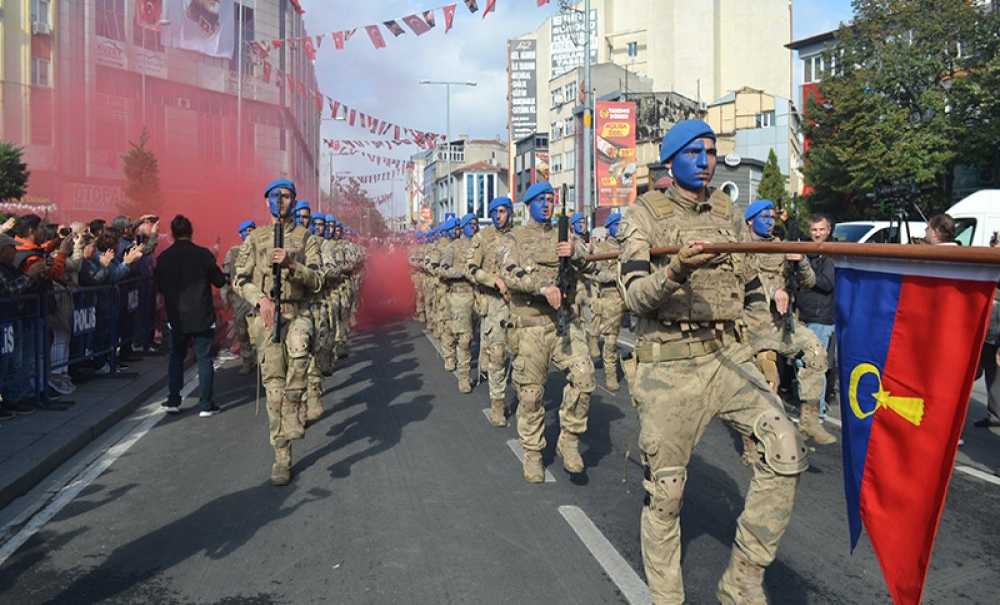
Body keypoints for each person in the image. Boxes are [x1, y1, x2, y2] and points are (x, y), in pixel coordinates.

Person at [617, 119, 807, 604]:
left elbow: (745, 282)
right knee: (667, 492)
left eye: (711, 151)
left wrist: (773, 307)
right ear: (672, 158)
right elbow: (636, 296)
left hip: (728, 353)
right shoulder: (642, 215)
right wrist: (678, 269)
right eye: (695, 152)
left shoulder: (728, 211)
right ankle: (666, 597)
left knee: (785, 449)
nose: (706, 160)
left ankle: (742, 578)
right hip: (669, 364)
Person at [497, 182, 596, 482]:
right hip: (530, 327)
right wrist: (541, 287)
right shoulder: (516, 238)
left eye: (551, 200)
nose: (547, 204)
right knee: (530, 395)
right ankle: (533, 452)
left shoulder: (565, 236)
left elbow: (591, 267)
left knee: (584, 376)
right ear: (528, 204)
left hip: (563, 323)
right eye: (541, 200)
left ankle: (570, 438)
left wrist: (576, 251)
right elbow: (509, 273)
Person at [235, 179, 322, 486]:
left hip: (297, 311)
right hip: (267, 319)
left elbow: (317, 279)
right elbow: (239, 279)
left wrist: (292, 264)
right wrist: (259, 299)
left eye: (286, 196)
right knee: (274, 393)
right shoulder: (255, 238)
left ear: (294, 200)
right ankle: (281, 458)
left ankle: (296, 402)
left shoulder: (305, 237)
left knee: (300, 350)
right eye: (275, 196)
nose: (281, 201)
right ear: (266, 201)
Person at [743, 200, 836, 448]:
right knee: (768, 384)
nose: (770, 221)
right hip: (753, 328)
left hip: (781, 325)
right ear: (750, 220)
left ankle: (809, 418)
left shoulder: (780, 246)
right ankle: (755, 442)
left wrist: (800, 260)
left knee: (817, 352)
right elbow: (745, 281)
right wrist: (774, 291)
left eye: (773, 216)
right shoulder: (740, 246)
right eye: (764, 216)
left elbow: (809, 281)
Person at [154, 215, 227, 416]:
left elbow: (158, 286)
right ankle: (206, 404)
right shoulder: (203, 255)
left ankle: (173, 400)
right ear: (191, 232)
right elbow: (219, 281)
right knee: (204, 358)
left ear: (172, 233)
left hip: (175, 317)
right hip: (201, 315)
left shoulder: (164, 257)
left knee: (176, 357)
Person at [468, 198, 514, 425]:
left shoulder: (519, 237)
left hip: (519, 302)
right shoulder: (482, 238)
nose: (498, 216)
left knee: (523, 353)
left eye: (502, 211)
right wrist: (492, 280)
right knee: (498, 355)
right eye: (494, 212)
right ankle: (498, 404)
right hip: (494, 303)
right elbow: (472, 269)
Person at [797, 214, 839, 420]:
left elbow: (827, 283)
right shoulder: (808, 252)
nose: (818, 233)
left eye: (821, 229)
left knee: (815, 366)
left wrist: (805, 268)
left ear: (828, 230)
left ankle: (817, 411)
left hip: (821, 318)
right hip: (804, 315)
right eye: (814, 230)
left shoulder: (830, 255)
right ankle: (810, 408)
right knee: (803, 365)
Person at [436, 215, 477, 393]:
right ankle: (464, 377)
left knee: (478, 337)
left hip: (479, 296)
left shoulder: (480, 246)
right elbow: (442, 270)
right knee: (464, 339)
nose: (474, 228)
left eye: (476, 224)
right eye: (471, 225)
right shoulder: (453, 248)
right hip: (459, 297)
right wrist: (461, 273)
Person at [589, 212, 626, 391]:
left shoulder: (629, 247)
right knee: (610, 340)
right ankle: (611, 374)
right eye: (617, 224)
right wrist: (616, 275)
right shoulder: (602, 249)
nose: (620, 227)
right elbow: (597, 274)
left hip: (630, 296)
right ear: (610, 228)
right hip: (610, 297)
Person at [222, 220, 257, 374]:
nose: (249, 233)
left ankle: (262, 361)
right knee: (242, 332)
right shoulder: (233, 252)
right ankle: (247, 360)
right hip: (239, 299)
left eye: (252, 230)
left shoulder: (261, 250)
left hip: (257, 298)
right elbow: (225, 276)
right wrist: (225, 296)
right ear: (240, 234)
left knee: (260, 332)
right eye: (246, 230)